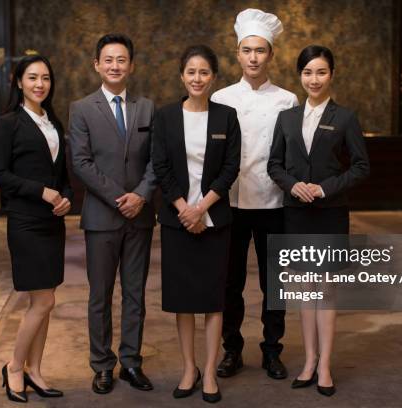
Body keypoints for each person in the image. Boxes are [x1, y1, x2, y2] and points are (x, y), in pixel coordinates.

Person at [267, 45, 370, 397]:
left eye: (321, 72)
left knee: (324, 293)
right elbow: (274, 165)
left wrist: (324, 189)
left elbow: (361, 166)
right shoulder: (287, 118)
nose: (314, 79)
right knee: (303, 292)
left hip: (328, 215)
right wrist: (294, 186)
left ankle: (325, 364)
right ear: (300, 75)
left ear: (332, 75)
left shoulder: (345, 118)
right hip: (295, 215)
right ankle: (308, 361)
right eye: (308, 72)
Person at [210, 8, 298, 380]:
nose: (253, 57)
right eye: (247, 50)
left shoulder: (288, 99)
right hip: (230, 202)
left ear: (271, 55)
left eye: (260, 50)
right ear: (237, 54)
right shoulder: (221, 97)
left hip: (273, 202)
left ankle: (272, 349)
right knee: (230, 282)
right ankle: (232, 349)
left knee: (273, 282)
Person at [152, 45, 241, 404]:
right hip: (177, 223)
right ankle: (189, 368)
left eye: (204, 72)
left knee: (213, 299)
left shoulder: (226, 116)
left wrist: (201, 207)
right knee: (184, 300)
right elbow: (161, 167)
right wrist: (183, 210)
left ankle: (209, 369)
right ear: (181, 76)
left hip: (214, 221)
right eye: (191, 72)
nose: (197, 78)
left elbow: (230, 169)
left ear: (214, 77)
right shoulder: (166, 116)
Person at [68, 33, 156, 395]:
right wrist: (122, 196)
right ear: (96, 64)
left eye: (121, 60)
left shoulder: (147, 107)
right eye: (108, 60)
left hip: (140, 217)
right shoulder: (82, 108)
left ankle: (131, 362)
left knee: (135, 293)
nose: (115, 66)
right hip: (101, 217)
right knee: (100, 294)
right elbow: (81, 162)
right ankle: (102, 364)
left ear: (131, 65)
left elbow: (157, 160)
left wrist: (142, 195)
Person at [0, 54, 72, 402]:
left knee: (45, 302)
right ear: (19, 82)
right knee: (43, 300)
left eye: (46, 78)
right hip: (25, 222)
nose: (40, 84)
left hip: (52, 222)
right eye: (33, 77)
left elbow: (62, 176)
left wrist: (66, 197)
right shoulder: (8, 122)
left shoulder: (54, 122)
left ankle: (35, 371)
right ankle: (13, 367)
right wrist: (41, 191)